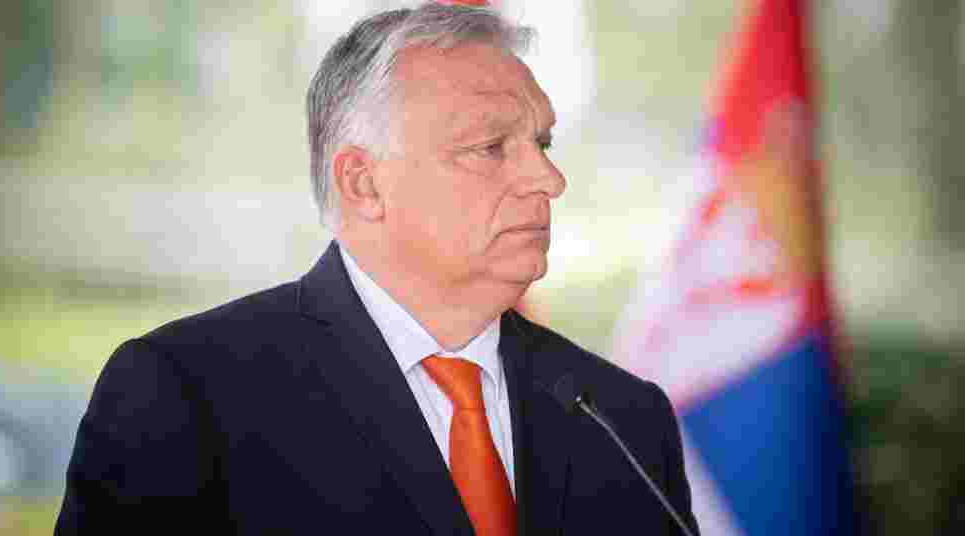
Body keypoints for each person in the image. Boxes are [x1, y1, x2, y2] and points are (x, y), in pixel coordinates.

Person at [55, 3, 699, 535]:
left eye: (543, 143)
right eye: (490, 147)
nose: (549, 179)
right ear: (363, 183)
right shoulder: (187, 397)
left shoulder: (624, 419)